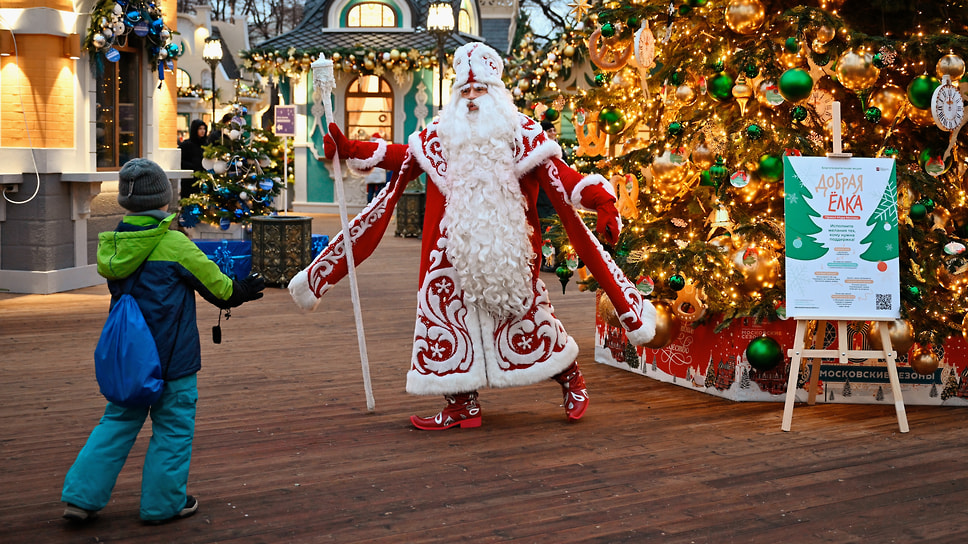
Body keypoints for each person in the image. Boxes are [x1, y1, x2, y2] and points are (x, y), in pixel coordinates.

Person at [289, 42, 656, 430]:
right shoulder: (439, 135)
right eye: (464, 91)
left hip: (510, 253)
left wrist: (601, 199)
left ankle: (570, 379)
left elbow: (562, 179)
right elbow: (401, 156)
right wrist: (349, 149)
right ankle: (461, 404)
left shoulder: (524, 135)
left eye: (479, 89)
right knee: (449, 324)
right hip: (448, 257)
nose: (471, 98)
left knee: (530, 320)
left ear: (496, 92)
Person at [61, 159, 266, 523]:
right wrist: (247, 289)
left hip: (128, 360)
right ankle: (162, 504)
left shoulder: (113, 244)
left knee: (117, 423)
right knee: (172, 429)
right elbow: (222, 290)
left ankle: (80, 497)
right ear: (163, 201)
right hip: (173, 360)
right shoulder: (174, 245)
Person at [178, 120, 208, 198]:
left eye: (204, 129)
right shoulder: (186, 145)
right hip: (189, 179)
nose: (202, 131)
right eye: (200, 129)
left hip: (203, 178)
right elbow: (179, 161)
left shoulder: (206, 145)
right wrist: (193, 167)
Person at [364, 133, 389, 203]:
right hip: (379, 173)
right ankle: (376, 204)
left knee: (370, 191)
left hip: (370, 173)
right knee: (379, 191)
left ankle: (369, 205)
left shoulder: (367, 146)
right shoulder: (382, 146)